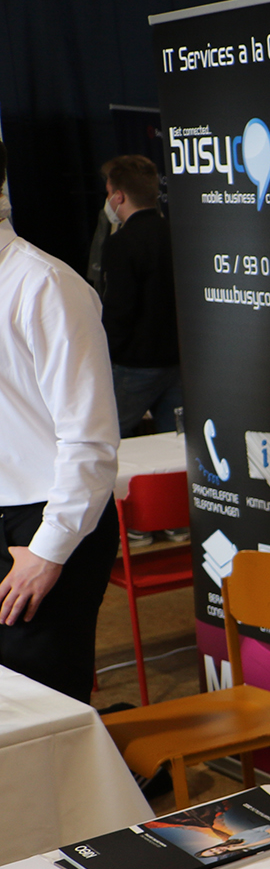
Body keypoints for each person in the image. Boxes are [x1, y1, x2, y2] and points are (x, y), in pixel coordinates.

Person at [0, 139, 121, 701]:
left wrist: (49, 551)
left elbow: (89, 440)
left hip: (44, 519)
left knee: (42, 706)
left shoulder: (45, 286)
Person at [100, 155, 182, 437]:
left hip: (135, 364)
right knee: (175, 440)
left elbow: (119, 310)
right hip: (177, 360)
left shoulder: (121, 243)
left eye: (108, 192)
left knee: (103, 436)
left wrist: (105, 353)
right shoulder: (176, 234)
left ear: (119, 196)